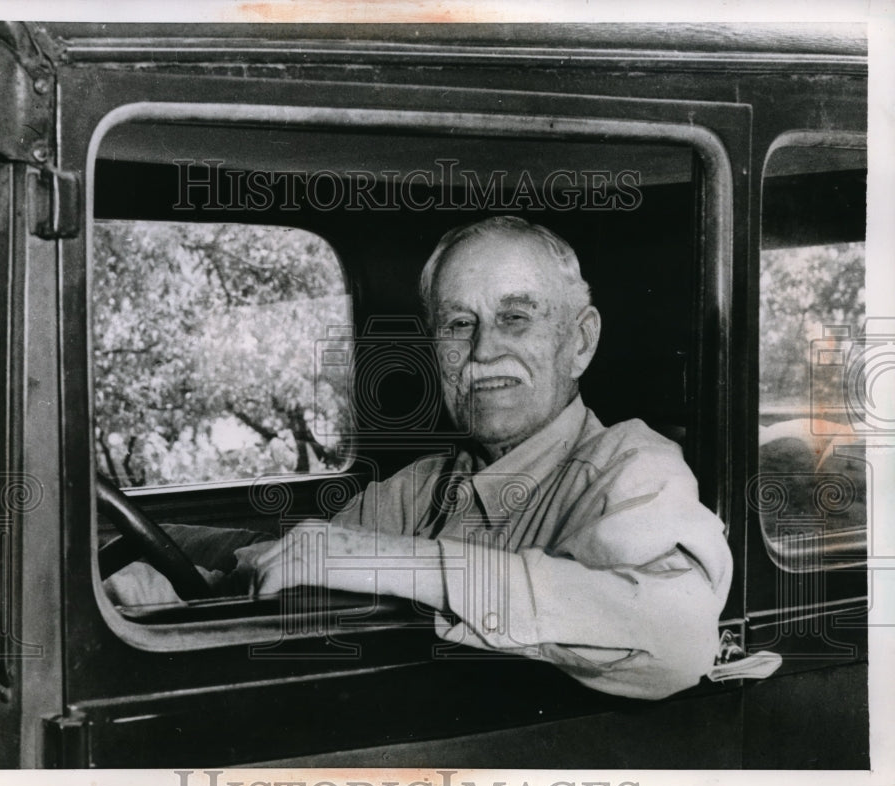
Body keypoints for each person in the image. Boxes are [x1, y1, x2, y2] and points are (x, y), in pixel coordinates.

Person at [106, 215, 732, 700]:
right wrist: (189, 598)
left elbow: (676, 639)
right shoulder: (427, 484)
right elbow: (296, 565)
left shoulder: (632, 466)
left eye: (515, 318)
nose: (485, 351)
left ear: (581, 341)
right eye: (460, 324)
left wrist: (386, 561)